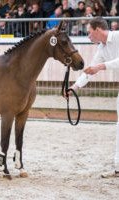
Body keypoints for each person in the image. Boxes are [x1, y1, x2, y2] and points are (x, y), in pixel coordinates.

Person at [70, 17, 119, 177]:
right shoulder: (101, 49)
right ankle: (118, 168)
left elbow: (99, 66)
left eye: (90, 32)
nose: (88, 36)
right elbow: (90, 71)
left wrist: (101, 66)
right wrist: (75, 87)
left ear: (98, 29)